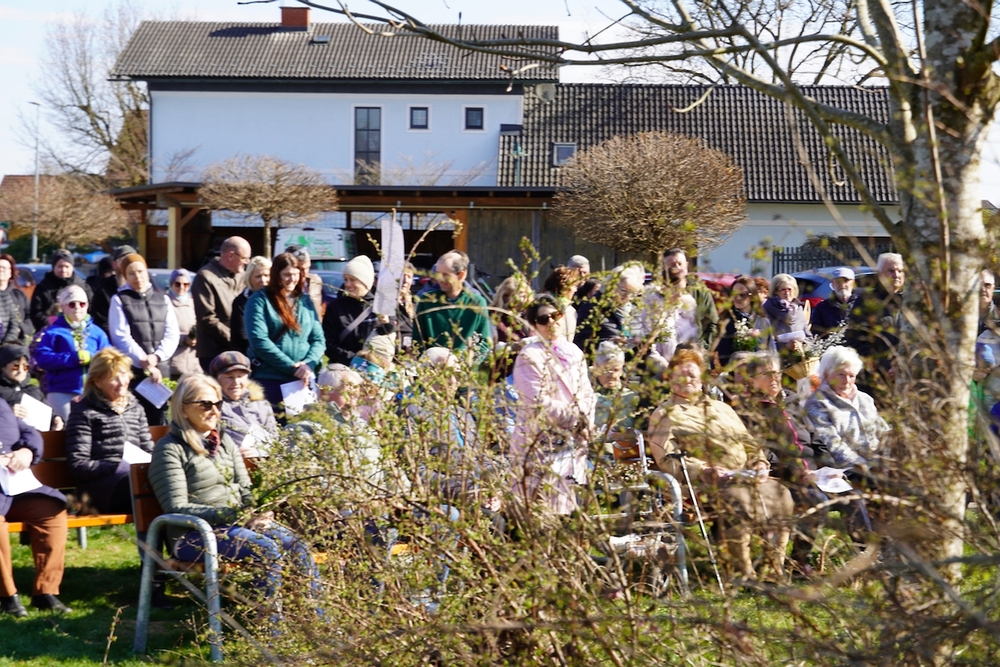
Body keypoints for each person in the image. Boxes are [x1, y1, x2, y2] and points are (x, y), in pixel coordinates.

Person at [148, 373, 321, 618]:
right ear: (183, 409)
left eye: (217, 404)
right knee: (265, 548)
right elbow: (176, 507)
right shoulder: (169, 449)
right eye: (205, 404)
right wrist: (234, 515)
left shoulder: (224, 442)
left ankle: (317, 620)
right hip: (192, 535)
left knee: (296, 544)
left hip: (235, 525)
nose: (214, 410)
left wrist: (256, 512)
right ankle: (269, 628)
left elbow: (245, 489)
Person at [645, 347, 793, 578]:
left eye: (692, 375)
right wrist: (702, 470)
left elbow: (749, 443)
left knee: (782, 493)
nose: (687, 380)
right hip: (704, 484)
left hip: (743, 476)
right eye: (680, 376)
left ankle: (774, 567)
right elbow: (666, 458)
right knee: (739, 501)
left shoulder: (722, 407)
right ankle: (743, 572)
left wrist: (760, 463)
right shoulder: (665, 414)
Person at [730, 352, 827, 575]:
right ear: (752, 380)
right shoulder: (748, 409)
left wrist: (827, 466)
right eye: (767, 374)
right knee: (817, 502)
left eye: (777, 373)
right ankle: (799, 561)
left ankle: (868, 558)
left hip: (813, 471)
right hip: (782, 476)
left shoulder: (792, 400)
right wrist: (796, 470)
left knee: (855, 498)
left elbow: (815, 437)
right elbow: (760, 450)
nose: (774, 378)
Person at [511, 295, 596, 515]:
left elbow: (587, 393)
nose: (551, 322)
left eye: (555, 315)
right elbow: (536, 403)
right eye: (543, 319)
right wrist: (575, 419)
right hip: (541, 442)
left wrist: (586, 420)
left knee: (569, 507)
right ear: (534, 325)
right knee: (540, 510)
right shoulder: (528, 356)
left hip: (573, 440)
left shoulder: (574, 352)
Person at [0, 398, 71, 616]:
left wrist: (27, 451)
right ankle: (6, 595)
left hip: (15, 485)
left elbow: (28, 431)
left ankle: (45, 591)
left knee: (52, 511)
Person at [65, 347, 155, 515]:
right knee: (138, 486)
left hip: (135, 478)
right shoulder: (84, 411)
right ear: (97, 381)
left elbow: (149, 450)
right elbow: (78, 465)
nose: (122, 382)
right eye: (114, 378)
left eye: (124, 375)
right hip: (100, 489)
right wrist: (116, 466)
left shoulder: (136, 408)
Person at [244, 252, 325, 410]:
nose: (292, 279)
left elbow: (318, 339)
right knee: (272, 424)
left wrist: (309, 364)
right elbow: (259, 341)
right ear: (276, 275)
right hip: (270, 379)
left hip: (302, 381)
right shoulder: (259, 301)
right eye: (286, 274)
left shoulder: (305, 301)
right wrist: (292, 368)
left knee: (302, 424)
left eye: (296, 274)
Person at [108, 253, 179, 426]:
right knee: (135, 419)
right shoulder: (119, 300)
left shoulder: (163, 299)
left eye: (140, 271)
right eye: (131, 273)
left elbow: (172, 333)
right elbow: (120, 336)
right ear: (125, 276)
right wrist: (144, 360)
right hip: (133, 370)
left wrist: (157, 357)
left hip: (161, 369)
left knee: (160, 420)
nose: (137, 277)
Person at [804, 346, 889, 469]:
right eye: (841, 374)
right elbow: (833, 445)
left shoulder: (865, 399)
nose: (847, 381)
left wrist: (888, 459)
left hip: (882, 464)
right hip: (851, 470)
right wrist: (864, 466)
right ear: (827, 375)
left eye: (851, 376)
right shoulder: (817, 403)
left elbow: (884, 432)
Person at [33, 285, 109, 423]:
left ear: (87, 306)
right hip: (62, 391)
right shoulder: (53, 332)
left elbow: (109, 358)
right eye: (72, 304)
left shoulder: (97, 332)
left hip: (94, 391)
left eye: (82, 303)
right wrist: (72, 358)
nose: (77, 307)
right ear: (63, 307)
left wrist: (92, 357)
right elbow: (42, 358)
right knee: (65, 429)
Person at [845, 252, 905, 402]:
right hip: (875, 381)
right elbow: (856, 341)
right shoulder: (867, 302)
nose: (896, 275)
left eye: (900, 271)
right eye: (891, 271)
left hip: (908, 378)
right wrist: (885, 367)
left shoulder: (911, 303)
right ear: (879, 274)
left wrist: (903, 367)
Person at [413, 250, 492, 362]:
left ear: (461, 275)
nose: (439, 279)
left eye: (445, 275)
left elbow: (484, 342)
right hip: (431, 368)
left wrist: (464, 364)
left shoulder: (477, 303)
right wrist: (429, 362)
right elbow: (418, 339)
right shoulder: (427, 301)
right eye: (437, 273)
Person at [192, 236, 250, 372]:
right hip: (214, 352)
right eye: (244, 258)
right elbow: (207, 318)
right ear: (231, 255)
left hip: (239, 350)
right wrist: (236, 338)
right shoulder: (205, 276)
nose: (247, 262)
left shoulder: (242, 276)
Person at [209, 351, 278, 456]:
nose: (236, 382)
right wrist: (234, 454)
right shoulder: (212, 407)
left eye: (240, 376)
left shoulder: (261, 404)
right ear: (217, 380)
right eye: (229, 377)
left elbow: (274, 438)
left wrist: (261, 451)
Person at [574, 263, 644, 359]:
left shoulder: (634, 310)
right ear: (611, 286)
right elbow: (579, 344)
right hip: (603, 365)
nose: (627, 297)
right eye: (624, 291)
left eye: (632, 293)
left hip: (632, 366)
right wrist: (608, 343)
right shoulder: (592, 308)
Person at [322, 255, 379, 367]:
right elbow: (328, 343)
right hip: (343, 370)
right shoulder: (336, 307)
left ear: (365, 281)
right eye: (345, 279)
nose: (347, 284)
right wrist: (354, 359)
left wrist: (387, 326)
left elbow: (391, 340)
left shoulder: (380, 307)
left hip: (375, 369)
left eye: (353, 280)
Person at [660, 248, 719, 350]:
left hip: (694, 354)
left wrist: (703, 348)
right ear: (664, 268)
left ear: (686, 266)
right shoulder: (655, 294)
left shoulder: (700, 292)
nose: (677, 268)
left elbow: (712, 323)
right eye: (672, 265)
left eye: (680, 264)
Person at [0, 345, 62, 431]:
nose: (20, 371)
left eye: (25, 367)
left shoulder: (34, 391)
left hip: (36, 436)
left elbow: (49, 414)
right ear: (3, 367)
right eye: (15, 366)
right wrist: (8, 413)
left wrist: (56, 419)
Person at [715, 276, 772, 368]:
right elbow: (723, 357)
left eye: (742, 295)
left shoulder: (763, 321)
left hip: (760, 372)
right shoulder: (726, 321)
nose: (737, 298)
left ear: (752, 297)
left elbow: (772, 352)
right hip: (737, 372)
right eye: (734, 294)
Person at [29, 249, 92, 331]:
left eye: (67, 266)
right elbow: (36, 312)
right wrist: (52, 327)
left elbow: (91, 309)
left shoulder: (83, 287)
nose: (63, 270)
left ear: (72, 267)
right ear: (53, 267)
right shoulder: (43, 287)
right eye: (60, 266)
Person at [592, 340, 638, 436]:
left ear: (621, 371)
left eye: (616, 370)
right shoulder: (584, 394)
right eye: (606, 369)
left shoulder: (630, 397)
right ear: (595, 367)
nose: (612, 375)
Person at [230, 256, 271, 356]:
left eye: (266, 275)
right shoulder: (241, 302)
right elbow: (240, 337)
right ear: (249, 279)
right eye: (258, 276)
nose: (263, 280)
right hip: (251, 357)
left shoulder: (279, 300)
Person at [89, 245, 135, 335]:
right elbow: (101, 323)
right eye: (123, 260)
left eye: (131, 259)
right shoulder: (103, 291)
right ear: (114, 264)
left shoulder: (146, 290)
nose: (127, 264)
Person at [167, 269, 199, 379]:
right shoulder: (165, 303)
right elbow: (162, 332)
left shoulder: (194, 303)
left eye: (186, 284)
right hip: (174, 364)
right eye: (177, 284)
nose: (182, 287)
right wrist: (184, 339)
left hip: (194, 364)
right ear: (171, 284)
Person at [810, 267, 858, 338]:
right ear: (832, 283)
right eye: (838, 281)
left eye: (846, 281)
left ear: (853, 282)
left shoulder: (861, 305)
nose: (842, 285)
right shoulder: (822, 308)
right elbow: (816, 333)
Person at [542, 265, 583, 342]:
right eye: (574, 286)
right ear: (565, 287)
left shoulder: (570, 309)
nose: (575, 290)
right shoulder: (544, 307)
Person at [490, 274, 533, 344]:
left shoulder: (530, 316)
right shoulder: (495, 318)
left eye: (524, 296)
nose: (521, 301)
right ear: (505, 297)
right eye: (516, 297)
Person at [0, 253, 33, 343]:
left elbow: (31, 317)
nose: (1, 270)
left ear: (10, 272)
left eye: (4, 268)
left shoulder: (19, 295)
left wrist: (21, 329)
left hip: (17, 343)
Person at [286, 246, 324, 316]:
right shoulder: (286, 284)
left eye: (308, 267)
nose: (305, 272)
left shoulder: (316, 281)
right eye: (300, 269)